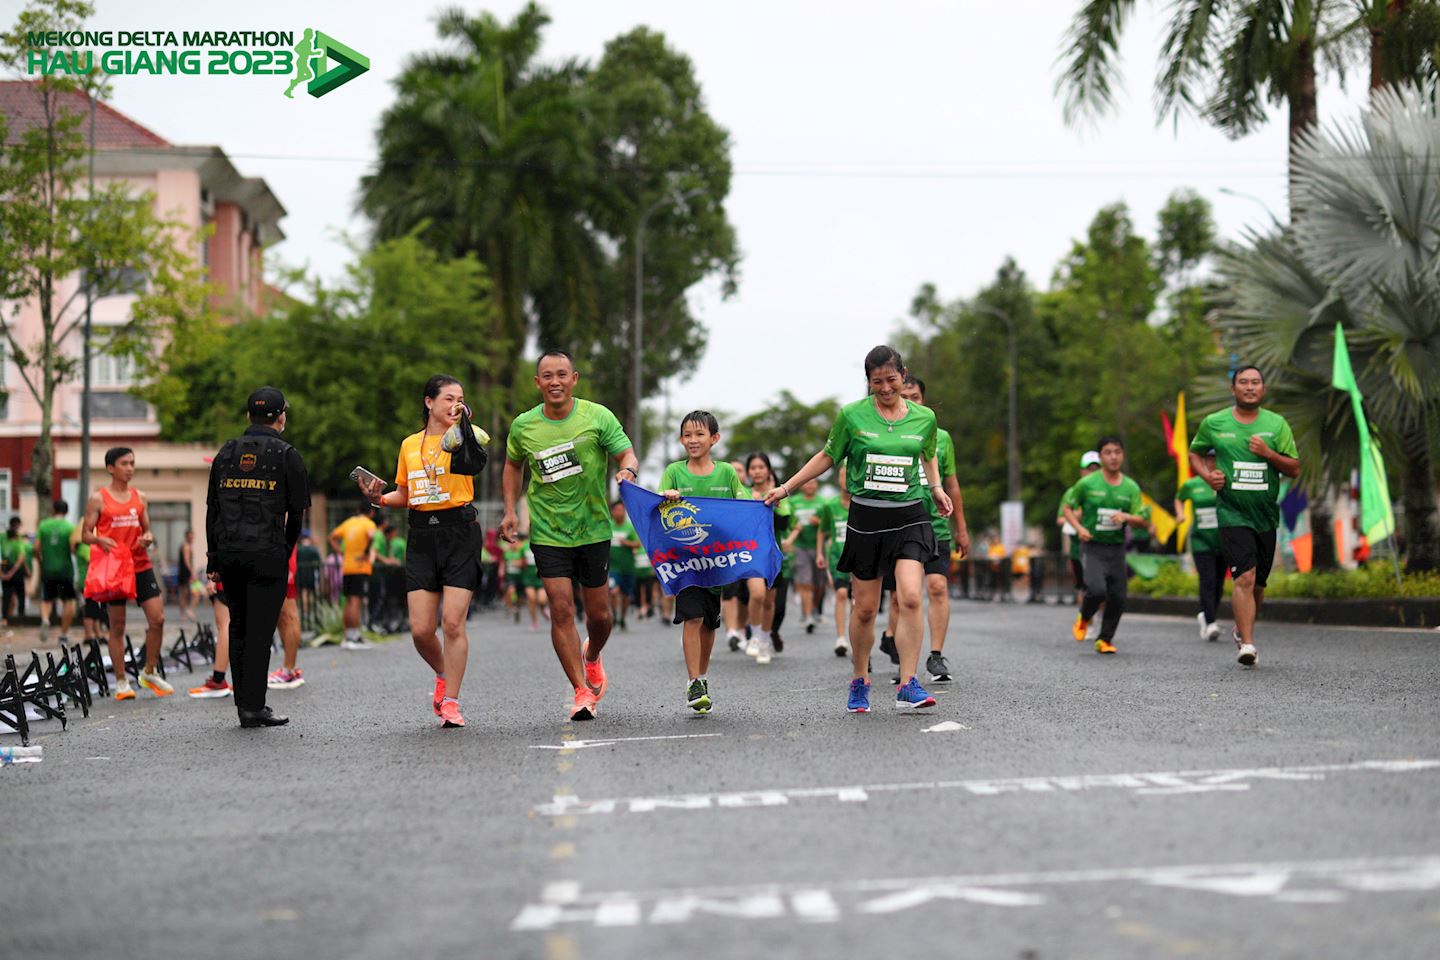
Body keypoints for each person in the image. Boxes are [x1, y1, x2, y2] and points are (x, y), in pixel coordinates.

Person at [768, 345, 953, 712]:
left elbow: (928, 454)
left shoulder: (924, 417)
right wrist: (786, 487)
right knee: (866, 608)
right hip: (867, 518)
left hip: (910, 515)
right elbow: (827, 455)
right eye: (876, 382)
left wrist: (935, 487)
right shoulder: (852, 416)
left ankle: (908, 682)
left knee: (912, 596)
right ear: (867, 382)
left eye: (892, 380)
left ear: (903, 374)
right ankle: (859, 678)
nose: (885, 388)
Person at [501, 350, 638, 721]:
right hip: (548, 531)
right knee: (560, 609)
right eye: (547, 376)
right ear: (538, 383)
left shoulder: (598, 416)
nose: (555, 381)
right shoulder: (524, 426)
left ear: (574, 378)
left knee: (600, 616)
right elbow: (512, 465)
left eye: (562, 374)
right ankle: (581, 691)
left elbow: (627, 455)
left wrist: (627, 472)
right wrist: (511, 510)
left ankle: (592, 655)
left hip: (593, 527)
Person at [358, 374, 488, 729]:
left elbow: (477, 460)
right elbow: (406, 493)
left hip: (460, 532)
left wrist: (466, 425)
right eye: (448, 398)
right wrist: (379, 498)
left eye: (460, 398)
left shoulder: (464, 438)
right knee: (420, 630)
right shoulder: (408, 445)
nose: (454, 404)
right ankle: (444, 674)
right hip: (421, 536)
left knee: (452, 623)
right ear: (429, 402)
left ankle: (452, 702)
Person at [207, 387, 310, 727]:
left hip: (230, 554)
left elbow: (213, 511)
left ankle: (244, 705)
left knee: (238, 627)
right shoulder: (287, 454)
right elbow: (296, 514)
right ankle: (254, 706)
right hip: (267, 554)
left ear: (248, 416)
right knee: (260, 633)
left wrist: (213, 559)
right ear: (281, 417)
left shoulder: (225, 453)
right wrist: (286, 549)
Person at [1189, 366, 1300, 667]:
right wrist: (1207, 475)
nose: (1249, 387)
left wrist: (1269, 454)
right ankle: (1247, 644)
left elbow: (1294, 468)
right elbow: (1195, 453)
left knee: (1259, 585)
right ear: (1233, 388)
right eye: (1243, 382)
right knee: (1245, 577)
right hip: (1232, 512)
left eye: (1255, 383)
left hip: (1265, 515)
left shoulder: (1276, 425)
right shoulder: (1215, 422)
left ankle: (1241, 628)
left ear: (1263, 389)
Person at [659, 411, 746, 713]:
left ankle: (703, 677)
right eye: (687, 435)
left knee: (709, 622)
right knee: (692, 617)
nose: (693, 440)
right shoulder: (674, 471)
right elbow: (656, 506)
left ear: (714, 438)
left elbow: (744, 504)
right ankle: (693, 680)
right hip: (684, 562)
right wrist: (666, 496)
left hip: (717, 562)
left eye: (699, 434)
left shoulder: (726, 473)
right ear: (681, 439)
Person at [81, 447, 173, 700]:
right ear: (111, 468)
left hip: (140, 565)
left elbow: (148, 531)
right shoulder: (98, 498)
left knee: (158, 619)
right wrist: (100, 541)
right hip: (115, 570)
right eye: (125, 463)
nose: (130, 468)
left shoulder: (139, 497)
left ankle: (149, 671)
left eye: (133, 463)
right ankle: (121, 681)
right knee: (117, 626)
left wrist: (148, 538)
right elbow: (85, 534)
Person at [897, 374, 970, 683]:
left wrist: (962, 529)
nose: (911, 402)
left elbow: (952, 484)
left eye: (915, 397)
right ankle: (901, 654)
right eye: (906, 396)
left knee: (937, 587)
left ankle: (936, 656)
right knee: (900, 596)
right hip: (900, 523)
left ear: (923, 400)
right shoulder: (889, 434)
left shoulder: (942, 437)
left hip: (936, 524)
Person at [1062, 436, 1149, 655]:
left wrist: (1126, 517)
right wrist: (1080, 529)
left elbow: (1142, 519)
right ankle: (1084, 616)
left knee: (1118, 595)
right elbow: (1068, 508)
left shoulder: (1130, 487)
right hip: (1093, 546)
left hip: (1117, 548)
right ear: (1101, 457)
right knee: (1097, 589)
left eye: (1117, 452)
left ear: (1122, 455)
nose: (1113, 457)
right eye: (1108, 452)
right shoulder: (1087, 484)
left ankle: (1105, 639)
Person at [742, 452, 791, 665]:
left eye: (761, 467)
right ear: (748, 472)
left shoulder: (778, 493)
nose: (757, 471)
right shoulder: (742, 493)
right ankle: (753, 635)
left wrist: (771, 506)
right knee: (758, 594)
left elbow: (784, 522)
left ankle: (764, 640)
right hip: (751, 552)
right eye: (753, 467)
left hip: (773, 553)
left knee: (770, 601)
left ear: (768, 470)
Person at [1176, 448, 1226, 642]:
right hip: (1200, 540)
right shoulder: (1193, 484)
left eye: (1216, 459)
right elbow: (1179, 498)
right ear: (1204, 461)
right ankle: (1211, 622)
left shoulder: (1226, 481)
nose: (1212, 462)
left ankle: (1206, 615)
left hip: (1223, 540)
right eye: (1209, 459)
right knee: (1207, 579)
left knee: (1219, 584)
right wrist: (1181, 514)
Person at [1057, 451, 1101, 619]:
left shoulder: (1108, 490)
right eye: (1089, 469)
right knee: (1084, 587)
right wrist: (1077, 516)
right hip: (1078, 548)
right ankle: (1085, 620)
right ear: (1082, 471)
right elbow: (1060, 519)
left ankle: (1101, 622)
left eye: (1096, 469)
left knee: (1100, 587)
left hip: (1101, 546)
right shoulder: (1072, 492)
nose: (1093, 473)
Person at [329, 503, 378, 650]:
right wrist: (365, 551)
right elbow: (371, 536)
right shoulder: (369, 523)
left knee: (349, 601)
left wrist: (341, 553)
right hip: (360, 567)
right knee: (356, 602)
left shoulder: (348, 523)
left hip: (347, 567)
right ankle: (355, 637)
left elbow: (331, 537)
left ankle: (347, 637)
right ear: (371, 513)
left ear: (358, 510)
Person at [816, 472, 852, 657]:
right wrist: (820, 553)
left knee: (859, 602)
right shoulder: (830, 506)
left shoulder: (863, 503)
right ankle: (840, 637)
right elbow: (822, 531)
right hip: (838, 558)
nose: (846, 479)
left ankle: (857, 637)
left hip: (860, 559)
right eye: (842, 475)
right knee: (841, 593)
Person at [788, 479, 828, 634]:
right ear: (802, 484)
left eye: (813, 483)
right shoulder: (793, 502)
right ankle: (809, 616)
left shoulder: (823, 503)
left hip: (818, 548)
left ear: (817, 485)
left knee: (819, 584)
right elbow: (788, 522)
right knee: (805, 582)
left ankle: (813, 608)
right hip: (800, 547)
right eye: (807, 483)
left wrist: (818, 522)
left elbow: (829, 527)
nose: (810, 486)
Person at [36, 500, 78, 645]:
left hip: (48, 568)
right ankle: (63, 634)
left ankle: (45, 619)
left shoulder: (43, 525)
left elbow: (36, 548)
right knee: (69, 601)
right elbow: (73, 548)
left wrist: (41, 561)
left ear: (53, 510)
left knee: (46, 599)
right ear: (66, 511)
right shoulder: (70, 527)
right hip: (65, 570)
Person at [608, 501, 639, 630]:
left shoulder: (629, 527)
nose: (619, 513)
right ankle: (614, 615)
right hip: (612, 567)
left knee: (626, 595)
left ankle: (622, 618)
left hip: (628, 567)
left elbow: (638, 544)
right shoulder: (608, 526)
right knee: (613, 591)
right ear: (612, 512)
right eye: (617, 510)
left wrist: (626, 543)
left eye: (622, 510)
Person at [1, 517, 27, 634]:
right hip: (12, 571)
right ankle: (19, 617)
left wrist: (5, 573)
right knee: (18, 594)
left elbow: (22, 558)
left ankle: (8, 618)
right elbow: (21, 558)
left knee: (9, 595)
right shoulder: (16, 539)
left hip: (8, 570)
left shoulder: (7, 537)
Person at [177, 529, 197, 622]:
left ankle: (183, 614)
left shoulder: (185, 545)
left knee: (183, 594)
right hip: (186, 573)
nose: (192, 538)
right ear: (187, 536)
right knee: (195, 592)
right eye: (191, 536)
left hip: (183, 572)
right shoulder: (186, 546)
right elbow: (187, 560)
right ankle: (189, 611)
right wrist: (192, 572)